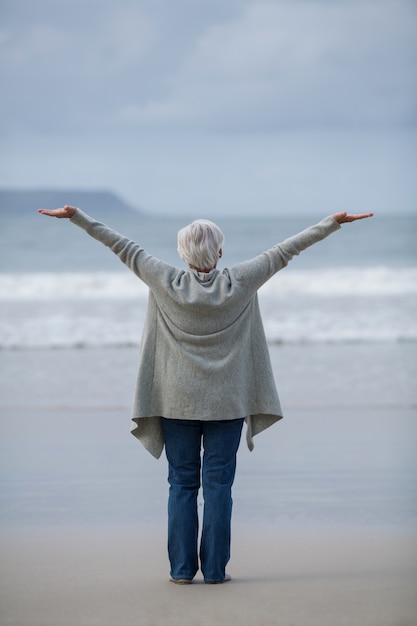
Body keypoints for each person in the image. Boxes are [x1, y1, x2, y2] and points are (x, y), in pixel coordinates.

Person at [38, 205, 373, 584]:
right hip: (226, 403)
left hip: (175, 402)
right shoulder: (241, 280)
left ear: (182, 253)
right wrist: (331, 223)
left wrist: (78, 216)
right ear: (219, 252)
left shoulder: (163, 278)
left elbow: (122, 246)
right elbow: (285, 250)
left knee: (181, 483)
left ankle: (182, 571)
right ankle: (214, 571)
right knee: (218, 486)